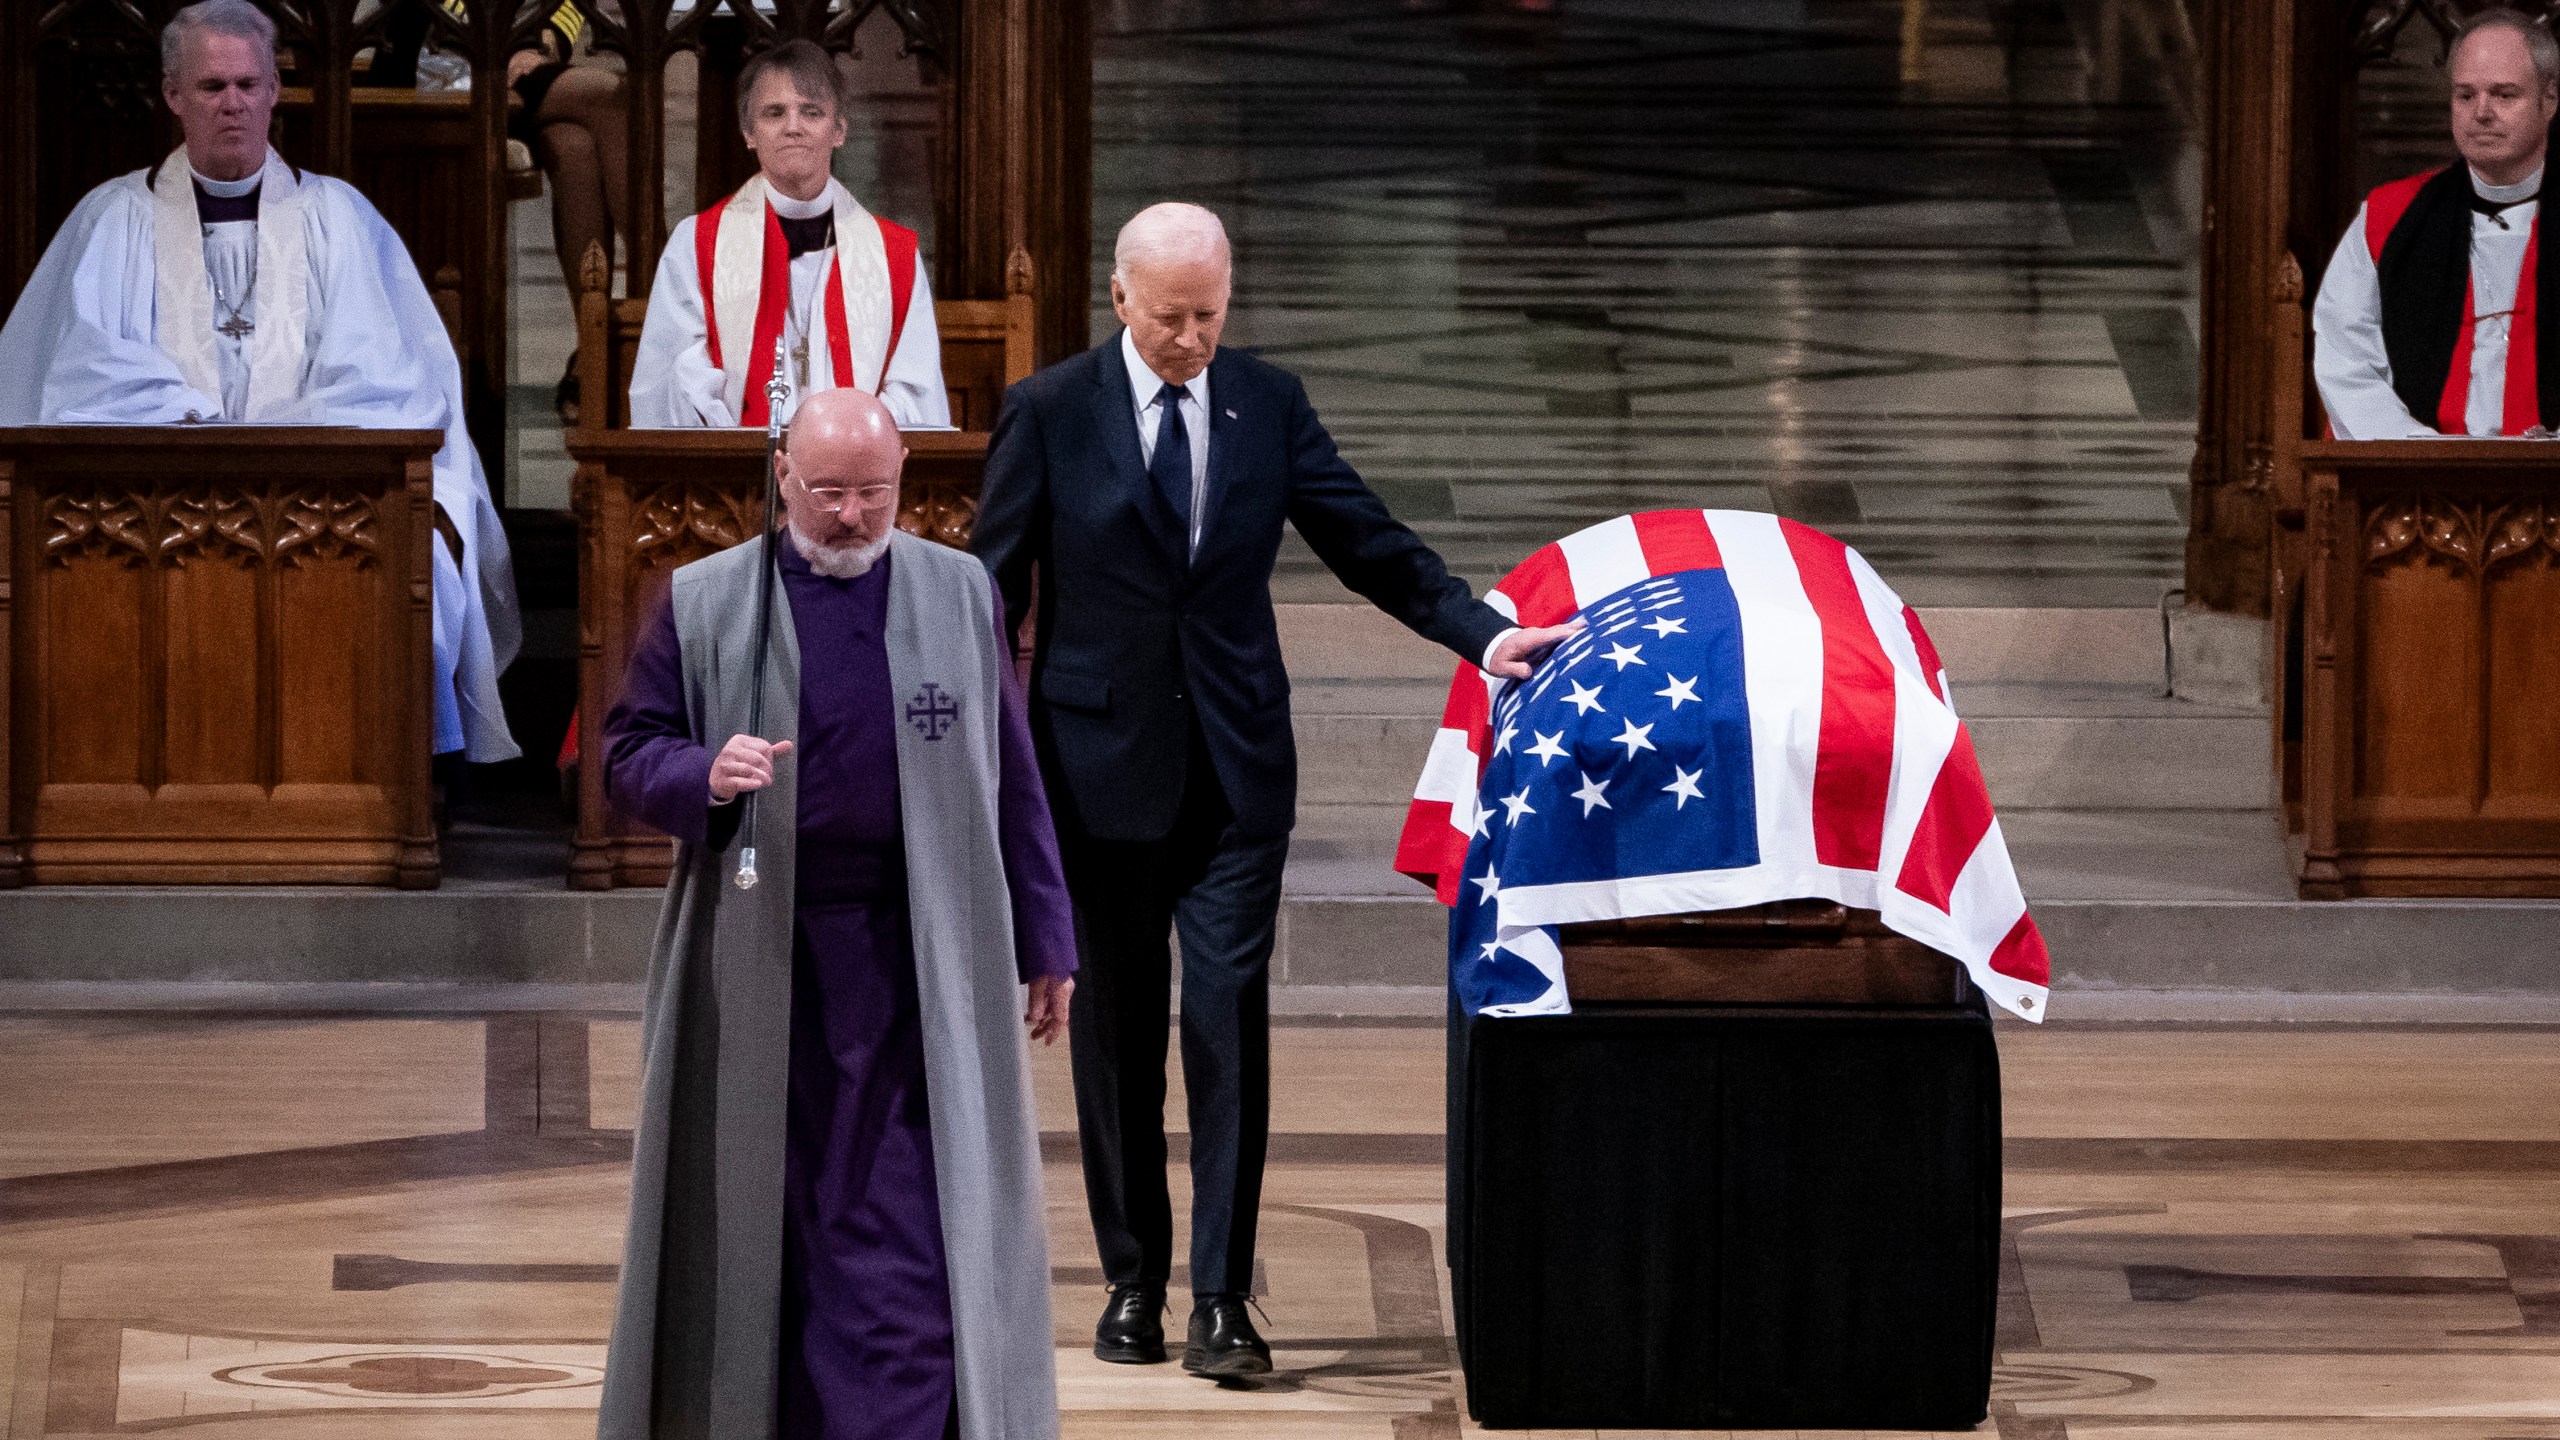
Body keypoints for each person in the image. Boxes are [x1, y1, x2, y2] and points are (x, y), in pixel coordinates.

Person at [971, 201, 1576, 1379]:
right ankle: (1132, 1284)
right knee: (1118, 1036)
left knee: (1225, 1024)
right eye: (1171, 318)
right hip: (1097, 775)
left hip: (1238, 769)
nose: (1194, 338)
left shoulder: (1268, 403)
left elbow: (1364, 538)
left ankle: (1220, 1303)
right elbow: (989, 590)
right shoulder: (1049, 412)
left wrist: (1478, 632)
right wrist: (960, 746)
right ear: (1119, 300)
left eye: (1210, 314)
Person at [597, 388, 1071, 1440]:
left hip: (920, 973)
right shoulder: (709, 600)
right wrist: (702, 773)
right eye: (827, 495)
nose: (852, 516)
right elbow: (626, 754)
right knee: (778, 1222)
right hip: (769, 971)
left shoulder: (959, 593)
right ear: (782, 479)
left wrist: (1048, 938)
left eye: (874, 492)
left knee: (909, 1228)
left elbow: (1012, 776)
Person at [0, 0, 518, 764]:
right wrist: (194, 426)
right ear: (173, 95)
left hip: (320, 494)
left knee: (421, 553)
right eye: (211, 87)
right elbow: (80, 373)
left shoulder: (340, 219)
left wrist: (274, 445)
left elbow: (386, 382)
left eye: (248, 84)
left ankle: (366, 778)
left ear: (276, 89)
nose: (233, 104)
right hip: (151, 490)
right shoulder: (112, 220)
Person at [630, 38, 948, 430]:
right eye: (774, 113)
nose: (793, 127)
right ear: (749, 132)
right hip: (739, 478)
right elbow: (674, 378)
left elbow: (914, 390)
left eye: (811, 112)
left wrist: (839, 446)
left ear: (839, 130)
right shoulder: (696, 244)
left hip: (851, 476)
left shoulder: (894, 254)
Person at [371, 0, 631, 423]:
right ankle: (661, 291)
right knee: (609, 96)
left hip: (514, 61)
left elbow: (569, 5)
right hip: (439, 56)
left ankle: (594, 343)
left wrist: (545, 43)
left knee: (574, 146)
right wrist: (501, 41)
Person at [2315, 7, 2560, 438]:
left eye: (2504, 95)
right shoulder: (2389, 217)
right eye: (2465, 95)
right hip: (2417, 485)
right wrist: (2418, 450)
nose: (2481, 112)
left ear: (2550, 101)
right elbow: (2344, 356)